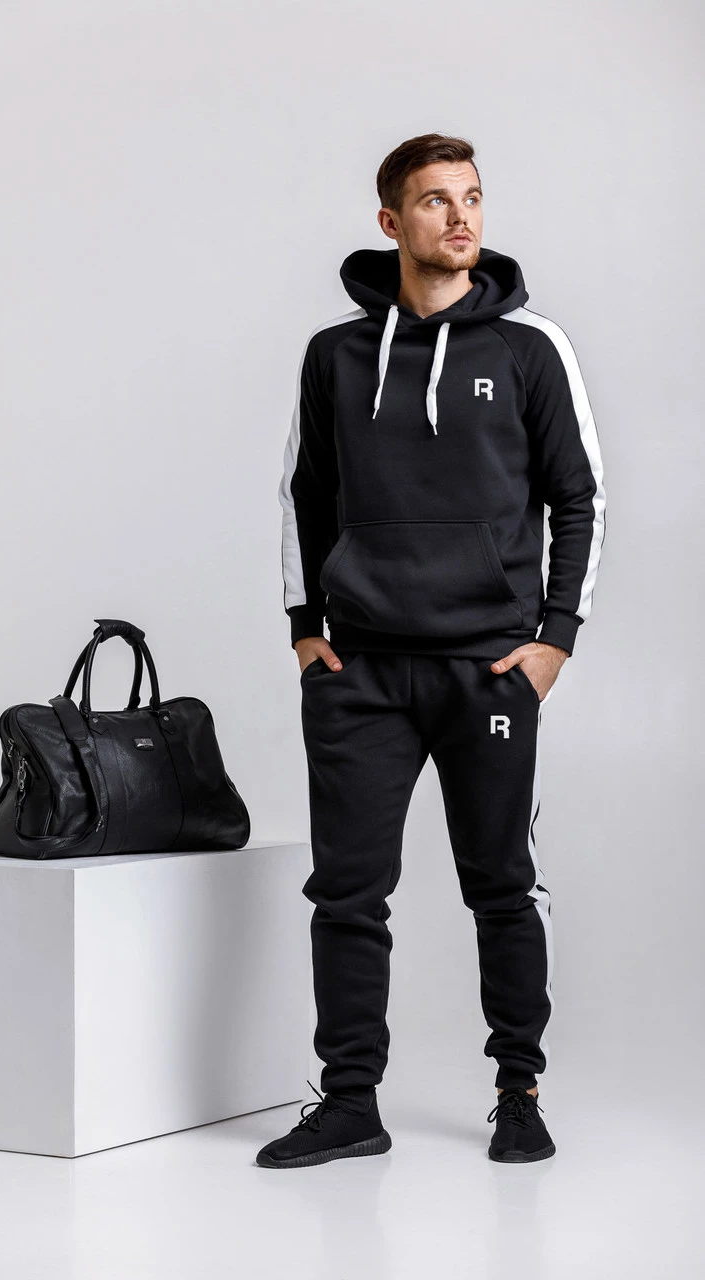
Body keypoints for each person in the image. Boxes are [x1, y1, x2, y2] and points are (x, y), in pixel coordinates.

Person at [258, 133, 607, 1170]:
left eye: (472, 198)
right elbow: (303, 493)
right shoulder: (334, 355)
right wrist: (305, 627)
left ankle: (518, 1092)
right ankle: (349, 1102)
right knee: (345, 893)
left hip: (486, 668)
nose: (460, 218)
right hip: (361, 671)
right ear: (390, 221)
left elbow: (579, 498)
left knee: (500, 884)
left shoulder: (528, 349)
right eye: (434, 200)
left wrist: (552, 642)